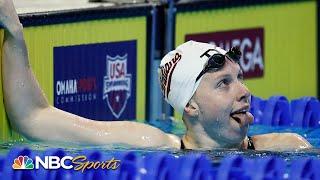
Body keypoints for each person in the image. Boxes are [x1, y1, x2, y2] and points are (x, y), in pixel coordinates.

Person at [0, 0, 311, 151]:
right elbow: (33, 118)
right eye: (223, 83)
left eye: (239, 78)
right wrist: (15, 32)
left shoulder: (285, 146)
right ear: (190, 106)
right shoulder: (150, 143)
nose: (244, 91)